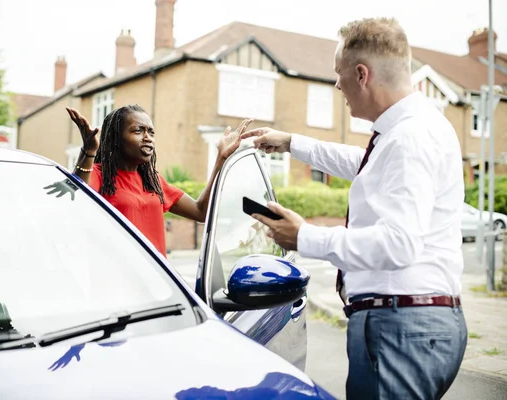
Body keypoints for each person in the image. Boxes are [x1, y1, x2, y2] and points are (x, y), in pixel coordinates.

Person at [241, 17, 467, 400]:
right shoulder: (408, 130)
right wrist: (292, 143)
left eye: (338, 73)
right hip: (407, 324)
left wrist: (304, 236)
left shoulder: (410, 137)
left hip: (400, 326)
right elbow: (366, 163)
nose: (336, 84)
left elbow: (399, 244)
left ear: (361, 74)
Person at [65, 104, 252, 258]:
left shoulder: (153, 180)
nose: (148, 138)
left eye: (151, 132)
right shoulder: (98, 174)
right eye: (138, 131)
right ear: (116, 139)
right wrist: (89, 150)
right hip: (116, 282)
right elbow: (79, 196)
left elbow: (201, 211)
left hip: (157, 283)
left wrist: (222, 158)